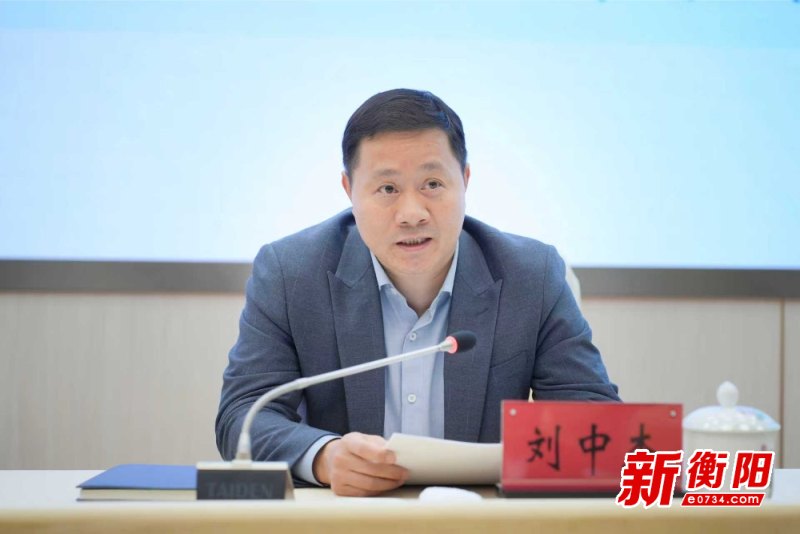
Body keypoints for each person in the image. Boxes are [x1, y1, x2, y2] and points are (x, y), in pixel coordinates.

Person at [216, 88, 619, 497]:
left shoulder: (531, 276)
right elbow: (243, 417)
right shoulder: (290, 274)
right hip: (347, 518)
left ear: (465, 181)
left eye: (432, 184)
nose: (412, 214)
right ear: (349, 190)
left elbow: (597, 423)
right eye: (387, 189)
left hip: (482, 519)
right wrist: (325, 457)